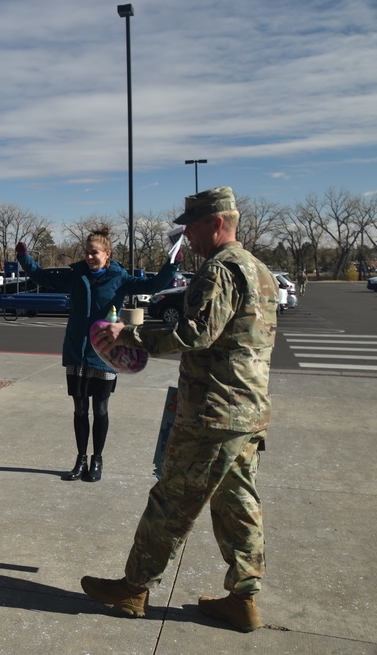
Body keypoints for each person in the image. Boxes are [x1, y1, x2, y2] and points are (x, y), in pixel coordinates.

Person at [80, 187, 278, 633]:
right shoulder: (259, 270)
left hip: (212, 413)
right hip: (247, 410)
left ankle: (134, 588)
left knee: (171, 501)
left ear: (215, 222)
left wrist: (128, 336)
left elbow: (195, 334)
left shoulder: (220, 270)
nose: (186, 236)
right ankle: (243, 599)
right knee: (238, 503)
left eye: (190, 226)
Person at [15, 229, 178, 481]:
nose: (90, 256)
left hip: (105, 354)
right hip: (76, 352)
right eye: (87, 252)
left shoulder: (120, 278)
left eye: (95, 252)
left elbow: (153, 285)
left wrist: (172, 265)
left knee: (100, 410)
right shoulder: (76, 275)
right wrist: (25, 258)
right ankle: (80, 460)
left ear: (107, 254)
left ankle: (97, 460)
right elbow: (41, 277)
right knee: (80, 410)